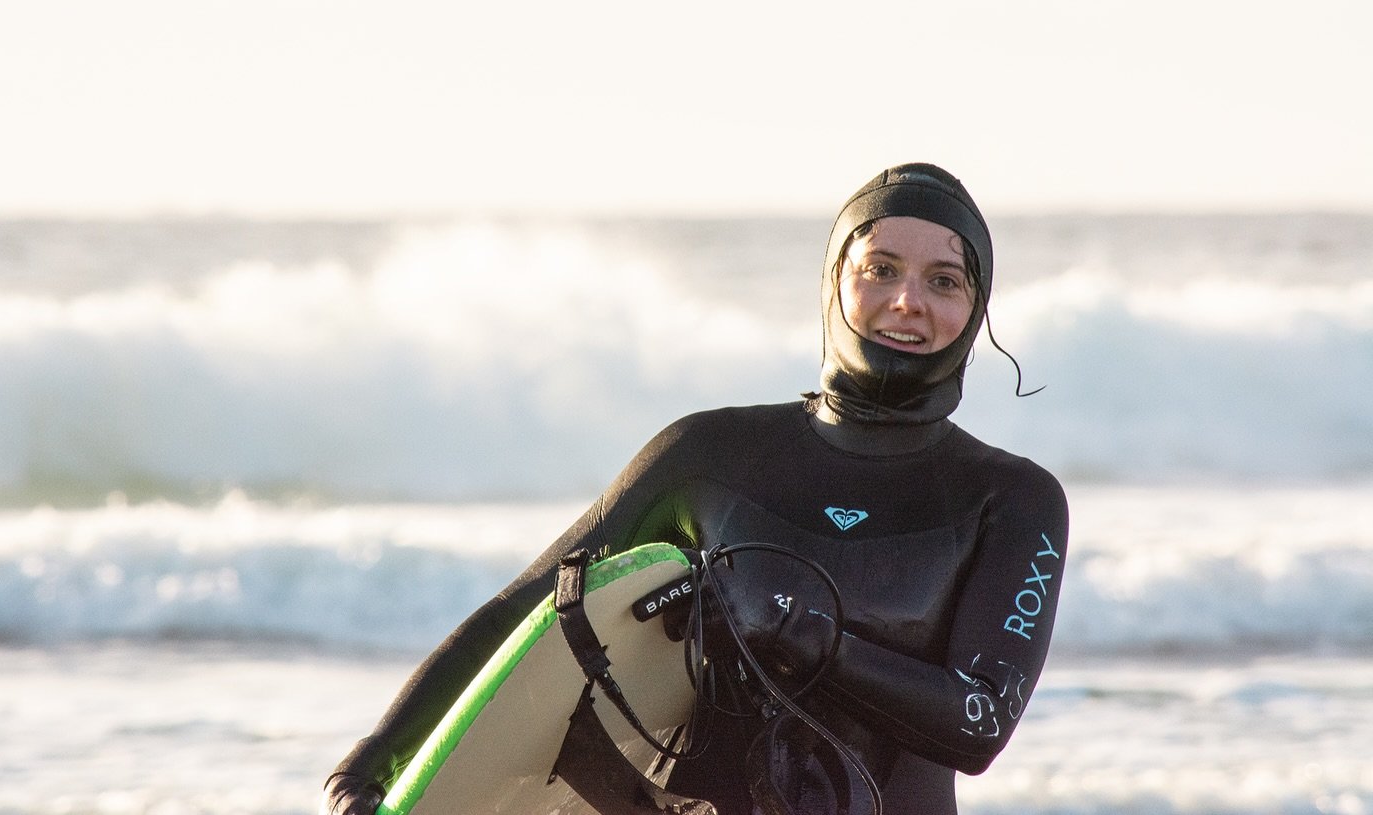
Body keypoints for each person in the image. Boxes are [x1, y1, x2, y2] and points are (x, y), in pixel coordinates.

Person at [322, 163, 1069, 815]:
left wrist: (802, 636)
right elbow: (528, 618)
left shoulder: (1008, 500)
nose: (908, 300)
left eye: (944, 279)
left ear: (975, 309)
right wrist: (370, 761)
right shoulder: (710, 454)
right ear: (836, 278)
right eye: (880, 267)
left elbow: (978, 724)